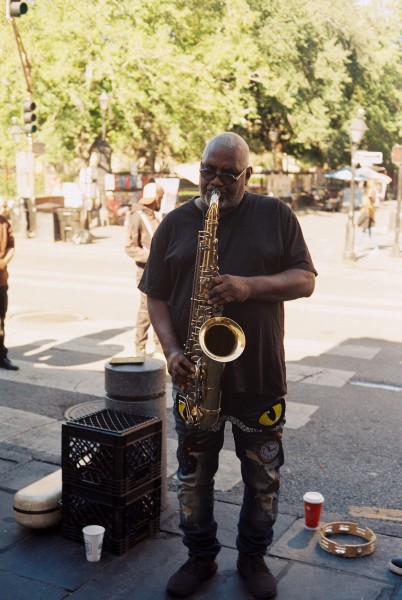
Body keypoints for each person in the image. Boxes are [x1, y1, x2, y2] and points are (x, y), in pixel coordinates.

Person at [139, 132, 317, 599]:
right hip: (196, 377)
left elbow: (305, 280)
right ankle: (199, 558)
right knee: (193, 477)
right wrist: (172, 351)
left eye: (228, 174)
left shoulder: (276, 215)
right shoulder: (175, 224)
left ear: (248, 174)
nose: (215, 182)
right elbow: (154, 295)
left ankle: (253, 558)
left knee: (263, 477)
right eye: (207, 171)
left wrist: (248, 287)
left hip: (259, 377)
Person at [125, 182, 164, 355]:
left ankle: (159, 344)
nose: (161, 201)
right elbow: (130, 247)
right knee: (146, 308)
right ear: (156, 199)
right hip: (145, 271)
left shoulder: (155, 215)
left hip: (159, 270)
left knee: (162, 307)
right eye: (160, 198)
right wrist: (153, 258)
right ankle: (140, 345)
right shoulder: (138, 216)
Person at [0, 202, 19, 371]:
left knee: (1, 319)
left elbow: (12, 246)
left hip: (1, 279)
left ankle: (1, 356)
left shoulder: (4, 223)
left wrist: (4, 261)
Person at [356, 189, 379, 254]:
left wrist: (357, 223)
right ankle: (358, 246)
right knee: (365, 233)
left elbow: (364, 214)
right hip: (368, 219)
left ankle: (358, 247)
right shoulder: (370, 203)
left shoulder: (367, 204)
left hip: (366, 219)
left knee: (366, 233)